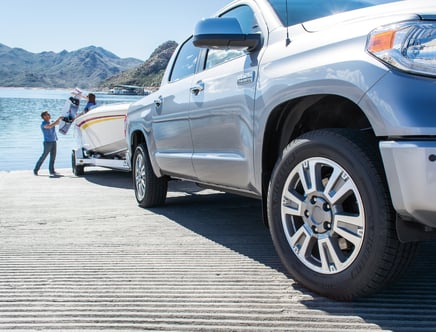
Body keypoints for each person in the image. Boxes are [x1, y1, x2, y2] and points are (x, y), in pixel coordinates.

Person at [33, 111, 63, 176]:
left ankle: (52, 171)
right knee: (44, 156)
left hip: (54, 141)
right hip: (47, 143)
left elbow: (58, 123)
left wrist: (64, 118)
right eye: (47, 115)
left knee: (53, 157)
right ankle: (36, 170)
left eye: (49, 114)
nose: (49, 116)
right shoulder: (43, 124)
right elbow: (49, 126)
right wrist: (58, 119)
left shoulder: (51, 122)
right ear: (44, 117)